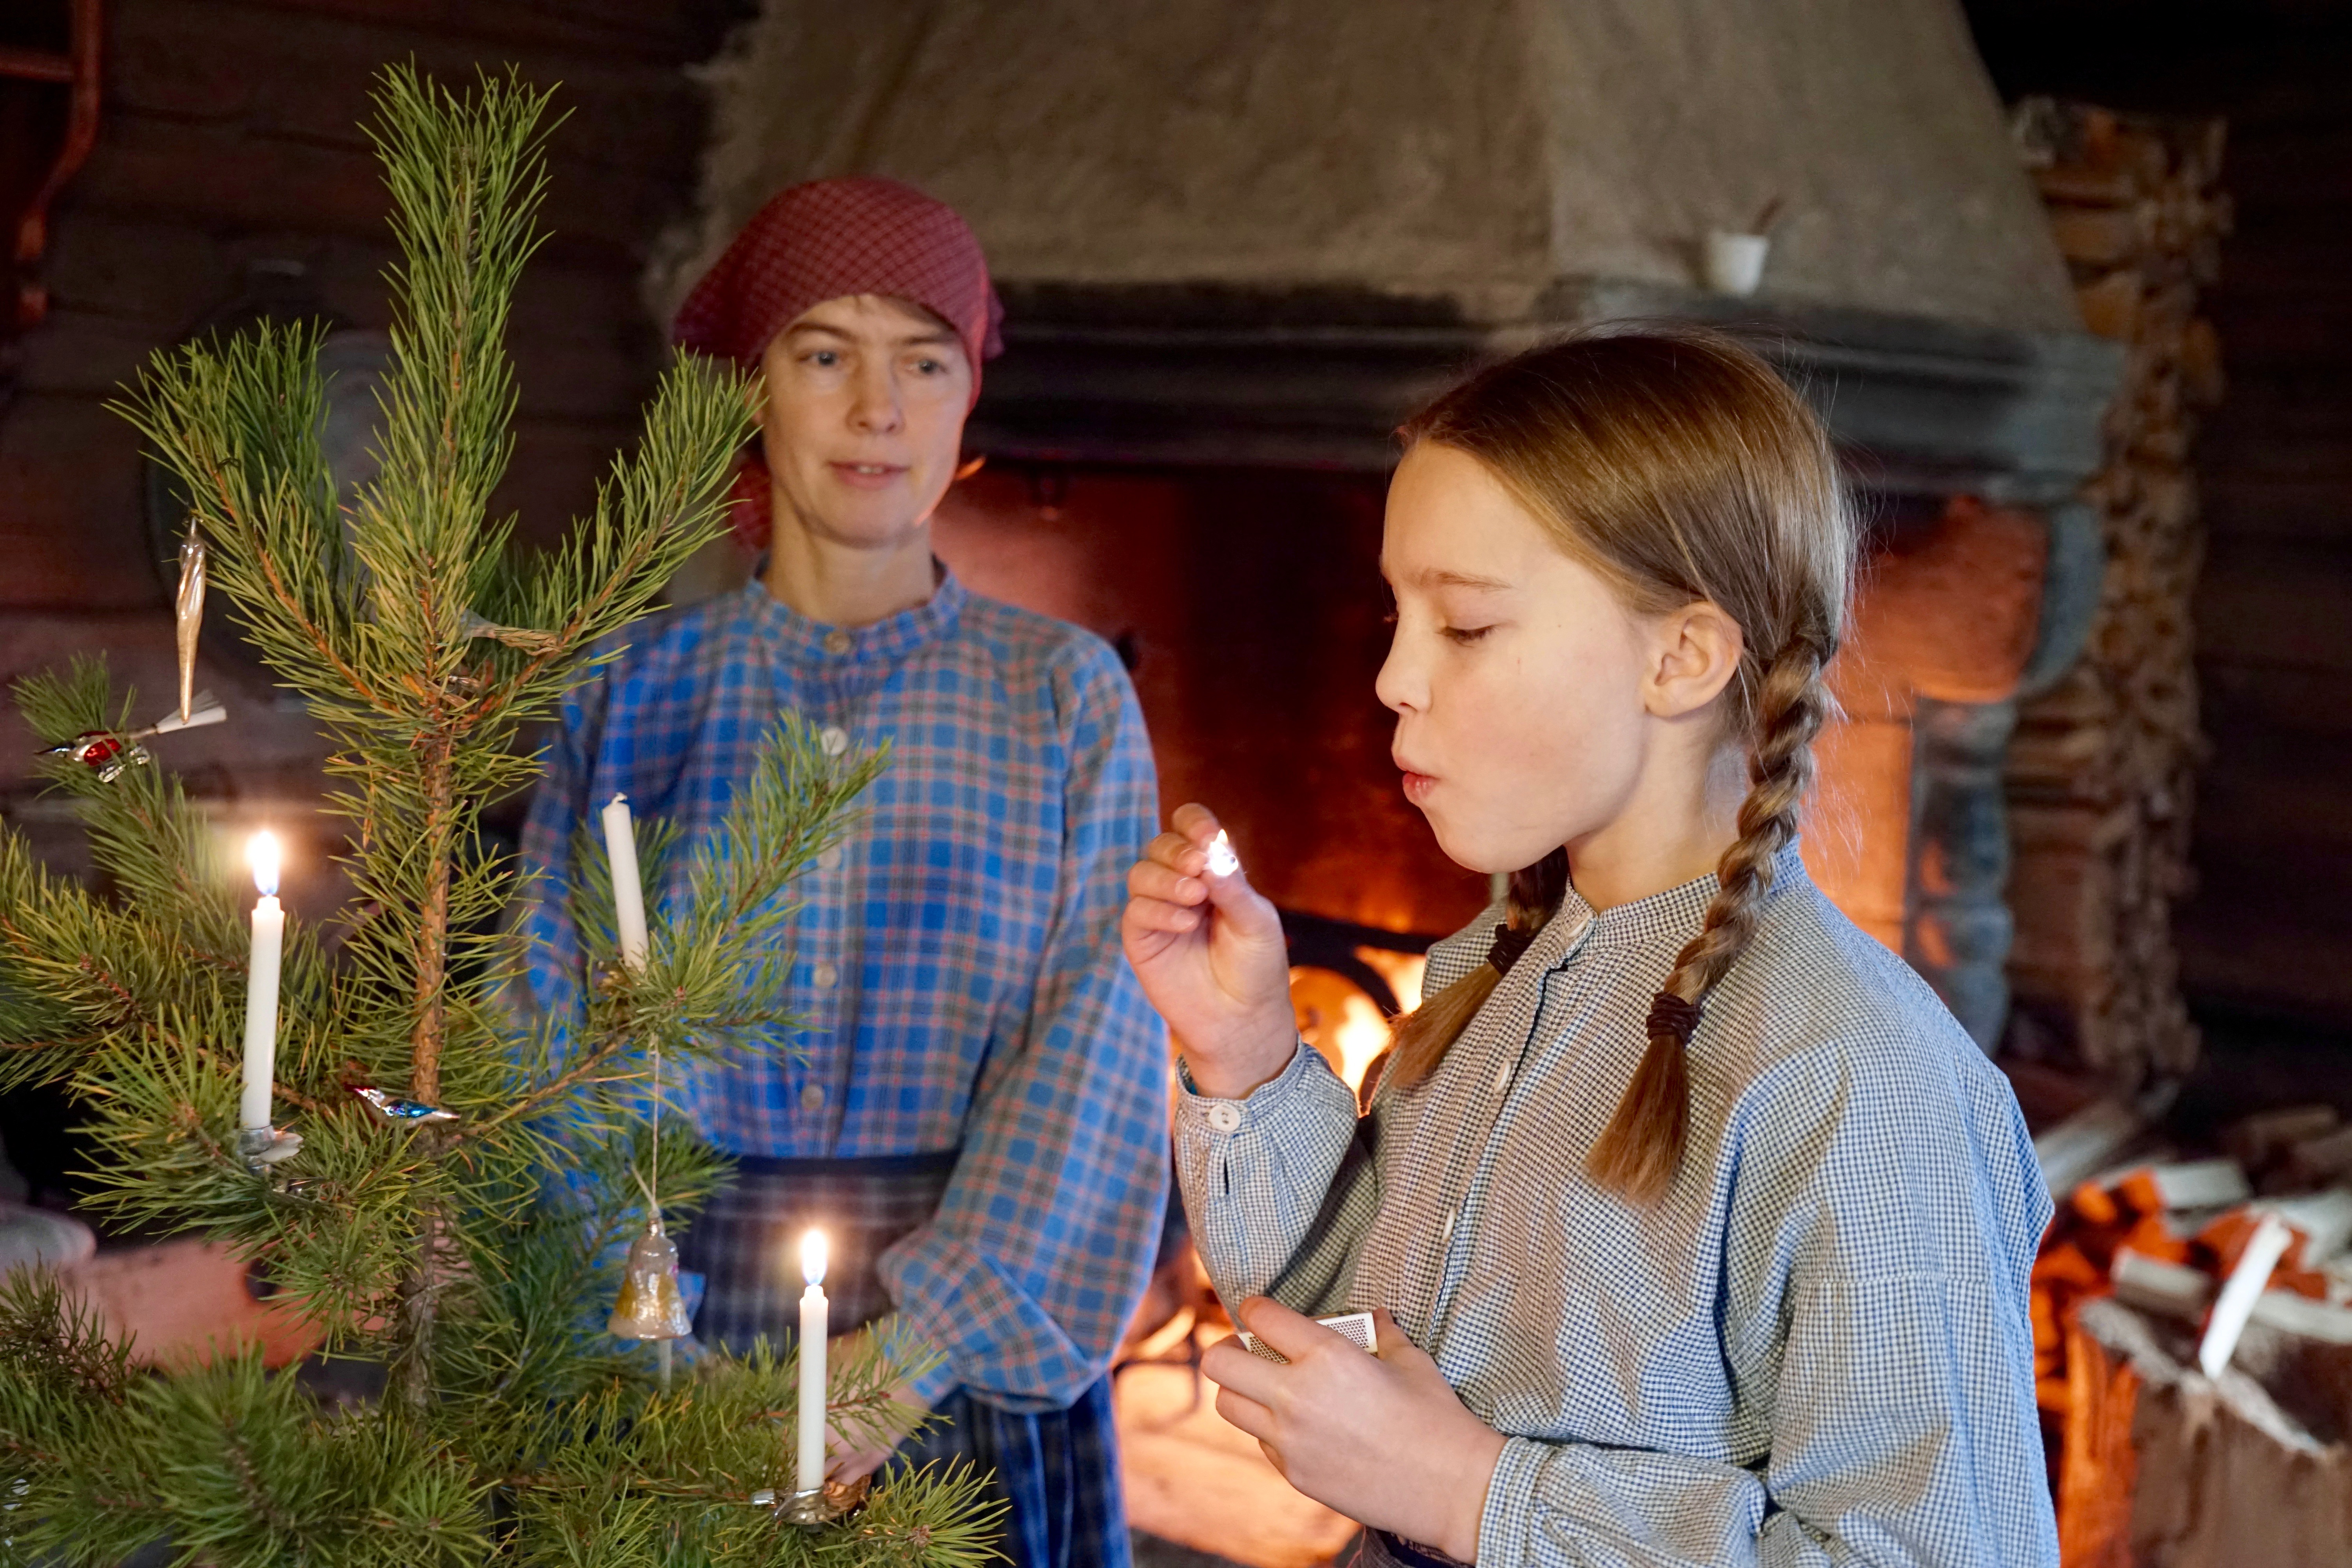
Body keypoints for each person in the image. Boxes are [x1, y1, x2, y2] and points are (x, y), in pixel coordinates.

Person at [1120, 328, 2056, 1567]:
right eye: (1397, 615)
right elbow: (1364, 1343)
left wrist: (1476, 1494)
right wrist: (1242, 1055)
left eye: (1465, 627)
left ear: (1682, 657)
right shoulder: (1483, 979)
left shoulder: (1861, 1089)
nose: (1395, 678)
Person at [520, 177, 1169, 1568]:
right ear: (755, 387)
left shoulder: (1065, 698)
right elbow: (546, 1024)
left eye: (922, 362)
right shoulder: (632, 691)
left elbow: (1100, 1041)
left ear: (964, 396)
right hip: (655, 1322)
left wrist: (898, 1366)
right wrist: (643, 1348)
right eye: (826, 355)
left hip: (953, 1359)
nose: (878, 408)